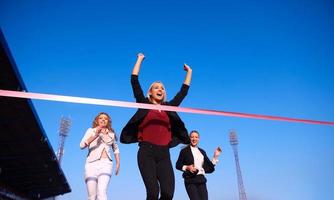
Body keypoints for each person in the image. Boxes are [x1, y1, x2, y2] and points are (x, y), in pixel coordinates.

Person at [120, 53, 192, 200]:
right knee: (153, 193)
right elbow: (134, 81)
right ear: (150, 92)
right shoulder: (143, 103)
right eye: (156, 88)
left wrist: (189, 72)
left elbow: (183, 92)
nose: (160, 90)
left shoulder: (169, 107)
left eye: (162, 88)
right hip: (146, 152)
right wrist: (139, 59)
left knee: (167, 193)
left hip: (164, 154)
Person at [80, 112, 120, 200]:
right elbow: (81, 145)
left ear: (108, 121)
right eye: (101, 118)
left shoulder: (111, 134)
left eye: (105, 118)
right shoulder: (90, 130)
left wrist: (118, 164)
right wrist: (95, 135)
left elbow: (116, 149)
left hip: (106, 164)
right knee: (92, 196)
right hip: (91, 164)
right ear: (97, 120)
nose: (103, 120)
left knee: (102, 192)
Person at [176, 130, 222, 200]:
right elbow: (178, 165)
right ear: (189, 138)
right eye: (192, 137)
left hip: (201, 179)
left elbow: (208, 168)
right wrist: (187, 167)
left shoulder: (202, 151)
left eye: (196, 137)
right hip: (190, 179)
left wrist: (215, 157)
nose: (194, 139)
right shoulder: (184, 151)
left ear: (198, 139)